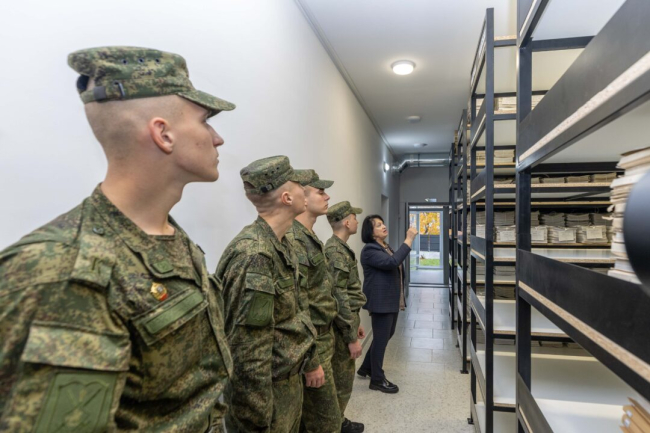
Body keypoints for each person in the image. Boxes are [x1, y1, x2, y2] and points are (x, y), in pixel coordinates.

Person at [0, 46, 235, 432]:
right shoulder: (62, 272)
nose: (218, 138)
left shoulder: (168, 236)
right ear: (163, 134)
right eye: (205, 121)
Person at [215, 156, 318, 433]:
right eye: (299, 185)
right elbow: (247, 349)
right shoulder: (255, 254)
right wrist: (256, 418)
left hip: (286, 383)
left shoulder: (281, 245)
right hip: (264, 395)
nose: (305, 191)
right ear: (287, 198)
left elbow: (292, 316)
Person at [285, 172, 362, 433]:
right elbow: (299, 306)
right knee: (325, 421)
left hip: (324, 339)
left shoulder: (310, 237)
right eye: (320, 192)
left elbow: (325, 294)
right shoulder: (294, 240)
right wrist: (311, 359)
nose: (327, 196)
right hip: (313, 343)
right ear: (302, 198)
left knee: (319, 418)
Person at [356, 215, 417, 394]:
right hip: (380, 301)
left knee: (386, 335)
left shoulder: (385, 247)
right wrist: (409, 239)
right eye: (378, 225)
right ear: (370, 232)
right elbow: (392, 262)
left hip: (389, 299)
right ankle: (376, 380)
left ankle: (366, 367)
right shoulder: (370, 250)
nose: (383, 226)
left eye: (383, 223)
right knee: (381, 339)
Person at [325, 202, 367, 433]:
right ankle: (337, 424)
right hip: (341, 330)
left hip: (347, 321)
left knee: (343, 378)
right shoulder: (335, 252)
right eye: (354, 217)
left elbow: (347, 294)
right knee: (341, 380)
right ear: (346, 222)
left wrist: (355, 323)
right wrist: (351, 337)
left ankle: (338, 420)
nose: (357, 221)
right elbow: (339, 295)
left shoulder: (340, 248)